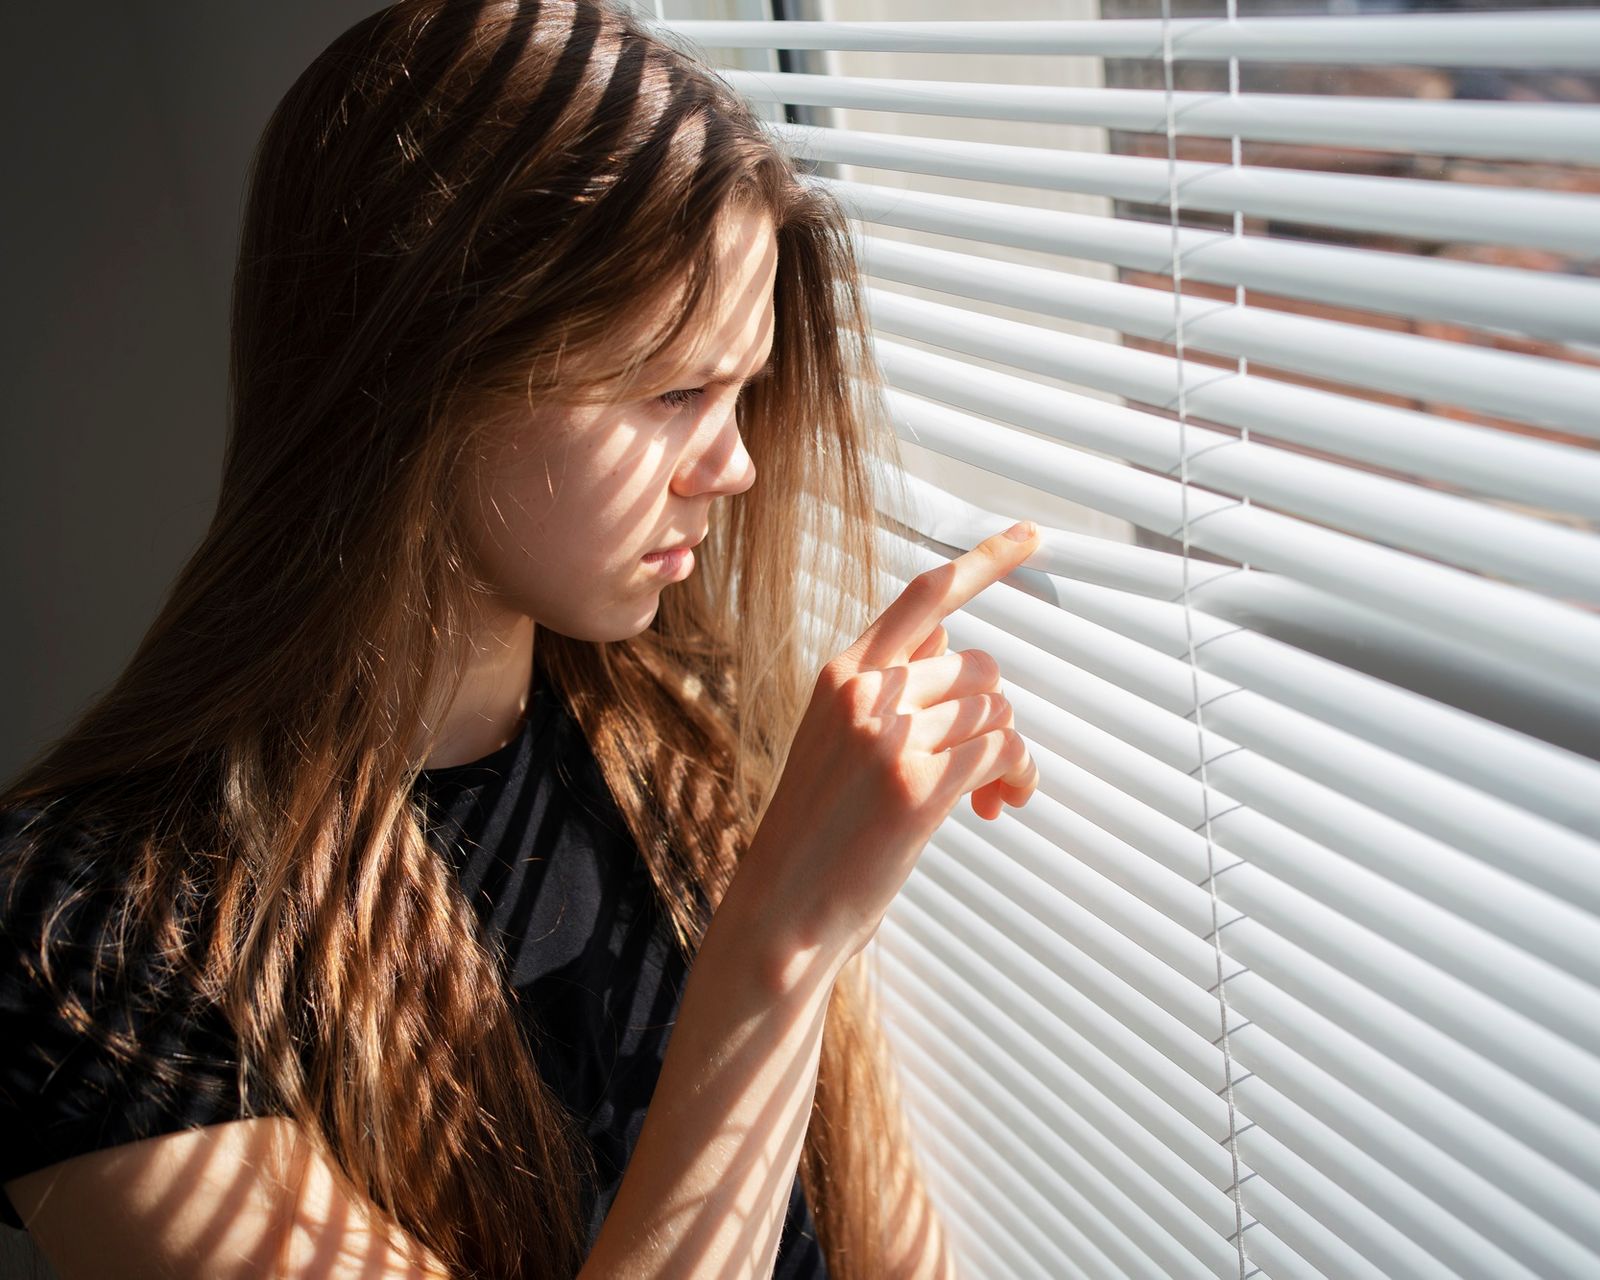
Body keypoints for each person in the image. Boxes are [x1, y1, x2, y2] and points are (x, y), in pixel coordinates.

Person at [0, 2, 1041, 1276]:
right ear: (431, 373)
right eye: (673, 393)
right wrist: (782, 940)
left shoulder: (683, 732)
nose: (738, 465)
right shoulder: (93, 939)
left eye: (741, 388)